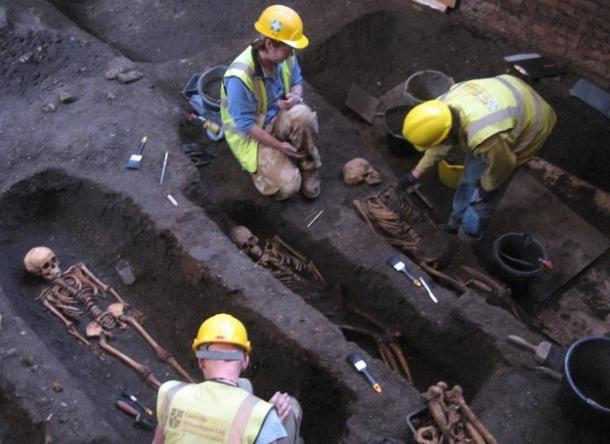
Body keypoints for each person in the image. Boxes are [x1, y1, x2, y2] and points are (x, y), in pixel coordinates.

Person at [398, 74, 556, 243]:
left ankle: (467, 237)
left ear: (448, 133)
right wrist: (416, 173)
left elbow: (504, 165)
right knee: (469, 179)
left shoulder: (487, 138)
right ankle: (454, 223)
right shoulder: (441, 107)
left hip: (535, 121)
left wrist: (486, 188)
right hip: (507, 97)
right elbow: (439, 145)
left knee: (483, 200)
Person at [220, 5, 321, 200]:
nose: (292, 54)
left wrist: (296, 96)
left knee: (304, 116)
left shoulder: (284, 57)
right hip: (251, 136)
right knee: (290, 186)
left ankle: (309, 167)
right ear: (269, 45)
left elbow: (297, 81)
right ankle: (262, 174)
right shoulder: (239, 78)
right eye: (288, 49)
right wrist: (279, 146)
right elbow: (246, 125)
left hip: (276, 117)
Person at [152, 313, 303, 444]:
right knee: (291, 408)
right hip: (259, 419)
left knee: (244, 385)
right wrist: (269, 424)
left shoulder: (170, 393)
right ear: (245, 361)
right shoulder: (262, 415)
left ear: (201, 361)